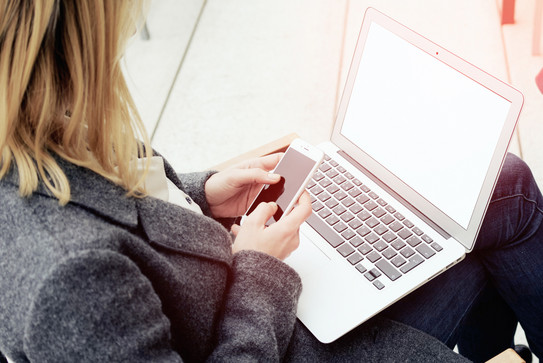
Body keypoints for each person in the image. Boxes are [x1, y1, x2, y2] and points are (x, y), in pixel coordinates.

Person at [0, 1, 541, 362]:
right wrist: (259, 268)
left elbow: (129, 210)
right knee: (471, 241)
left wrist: (201, 194)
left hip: (250, 291)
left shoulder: (48, 121)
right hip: (278, 336)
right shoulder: (67, 281)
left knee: (496, 188)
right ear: (73, 40)